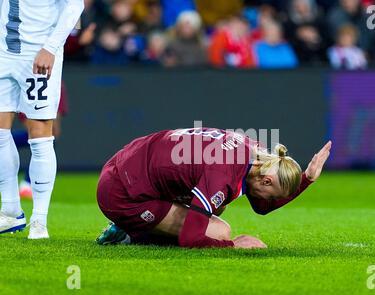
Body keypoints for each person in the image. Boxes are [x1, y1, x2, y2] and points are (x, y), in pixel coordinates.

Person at [96, 127, 331, 249]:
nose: (269, 200)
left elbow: (261, 205)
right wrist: (233, 246)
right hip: (121, 193)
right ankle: (131, 232)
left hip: (126, 164)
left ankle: (134, 228)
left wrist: (306, 179)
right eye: (273, 195)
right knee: (219, 231)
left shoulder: (257, 154)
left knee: (216, 208)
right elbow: (191, 238)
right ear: (266, 181)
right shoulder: (223, 173)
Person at [0, 0, 84, 238]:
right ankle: (10, 212)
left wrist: (50, 47)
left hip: (38, 53)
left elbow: (75, 6)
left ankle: (39, 221)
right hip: (4, 52)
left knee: (40, 134)